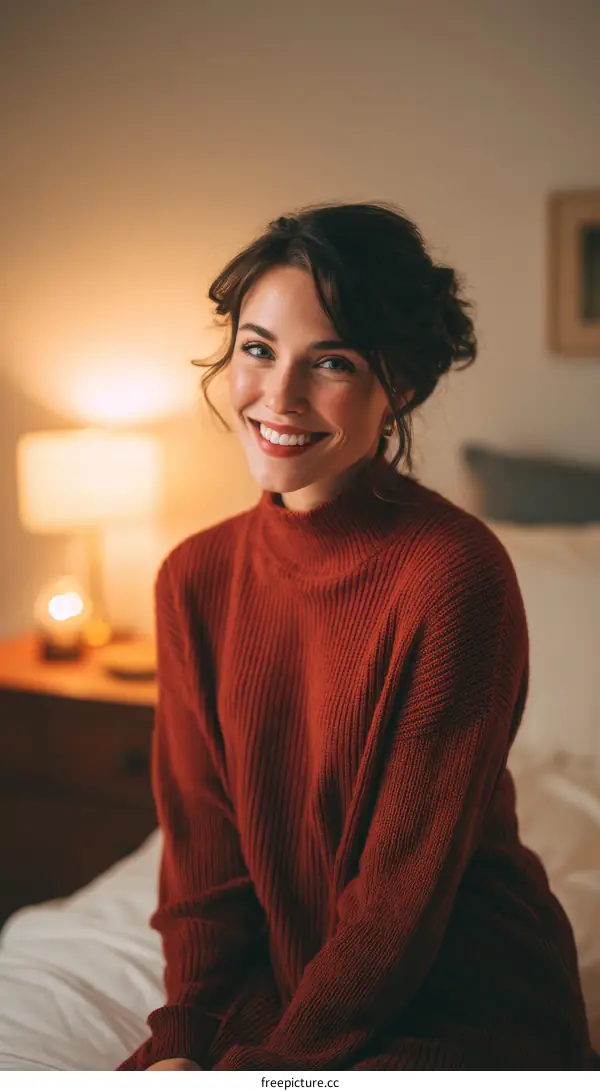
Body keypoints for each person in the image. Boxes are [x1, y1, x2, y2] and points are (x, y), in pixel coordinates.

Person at [118, 202, 593, 1071]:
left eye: (331, 361)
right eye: (258, 349)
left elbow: (396, 909)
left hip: (460, 1000)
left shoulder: (454, 574)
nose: (279, 397)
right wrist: (182, 1040)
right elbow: (204, 875)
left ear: (398, 384)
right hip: (294, 987)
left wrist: (271, 1071)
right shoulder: (193, 577)